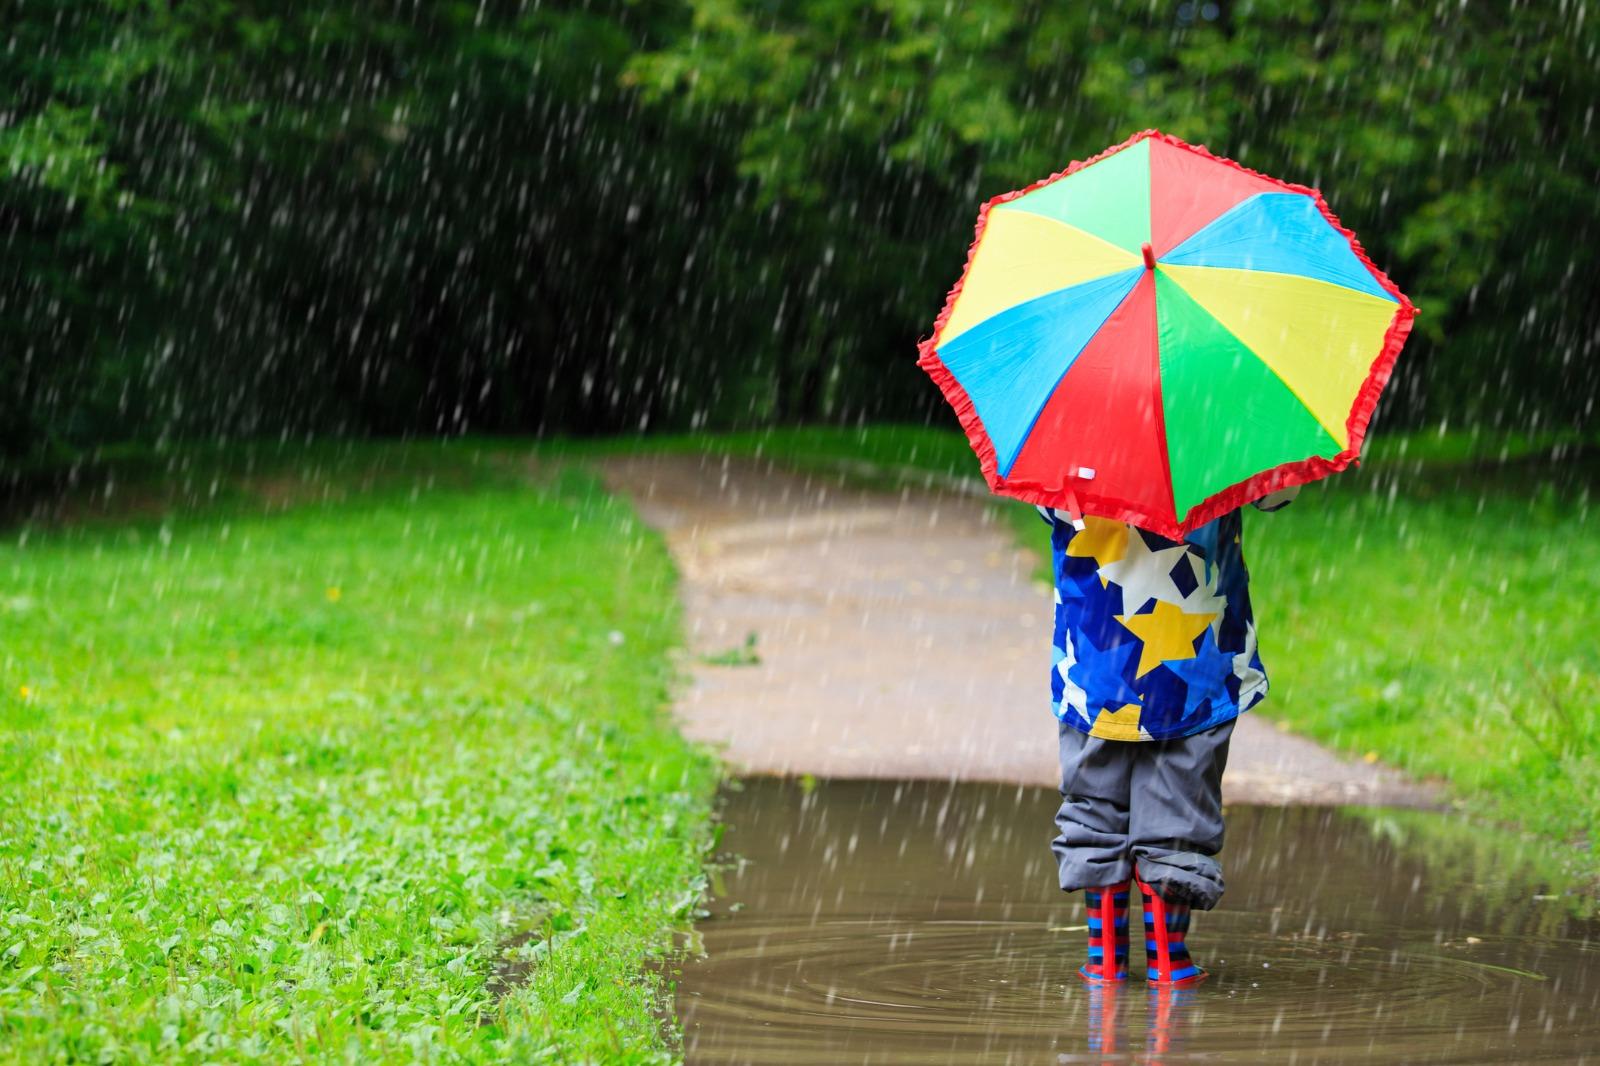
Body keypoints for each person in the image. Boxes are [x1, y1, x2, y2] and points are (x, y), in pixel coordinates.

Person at [1038, 484, 1300, 987]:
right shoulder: (1206, 430)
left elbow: (1048, 509)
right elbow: (1269, 489)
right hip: (1191, 666)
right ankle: (1169, 959)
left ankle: (1105, 960)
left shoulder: (1065, 439)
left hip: (1094, 665)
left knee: (1094, 802)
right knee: (1180, 802)